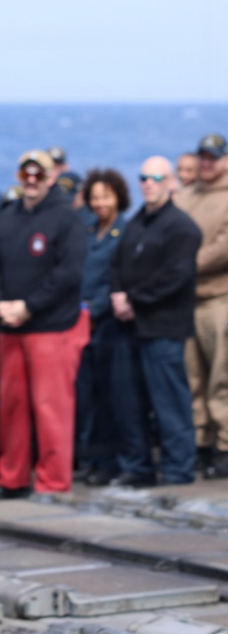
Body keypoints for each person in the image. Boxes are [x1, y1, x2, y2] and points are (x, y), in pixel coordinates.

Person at [0, 150, 88, 496]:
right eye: (26, 174)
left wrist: (29, 307)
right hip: (10, 326)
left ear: (51, 177)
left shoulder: (66, 218)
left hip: (50, 326)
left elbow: (68, 273)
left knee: (50, 407)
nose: (31, 181)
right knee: (11, 407)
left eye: (38, 175)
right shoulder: (7, 215)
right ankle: (11, 479)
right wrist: (0, 303)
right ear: (18, 176)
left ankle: (53, 482)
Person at [110, 156, 201, 486]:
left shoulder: (182, 227)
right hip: (130, 326)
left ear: (171, 182)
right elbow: (118, 262)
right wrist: (119, 295)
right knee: (130, 402)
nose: (148, 183)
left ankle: (178, 469)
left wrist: (134, 298)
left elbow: (176, 275)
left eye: (156, 177)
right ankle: (138, 467)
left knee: (169, 402)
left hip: (163, 327)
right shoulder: (137, 221)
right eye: (144, 177)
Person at [174, 133, 228, 478]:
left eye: (213, 157)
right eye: (203, 157)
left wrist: (181, 264)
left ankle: (224, 444)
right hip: (185, 299)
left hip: (219, 299)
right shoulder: (185, 195)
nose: (207, 163)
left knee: (221, 379)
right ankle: (200, 442)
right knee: (191, 377)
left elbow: (223, 247)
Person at [74, 169, 130, 486]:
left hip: (109, 324)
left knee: (111, 396)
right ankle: (92, 458)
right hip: (82, 321)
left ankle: (109, 461)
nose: (99, 203)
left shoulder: (124, 231)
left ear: (118, 197)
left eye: (105, 196)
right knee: (87, 395)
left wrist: (96, 307)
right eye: (94, 197)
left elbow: (117, 277)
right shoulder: (87, 229)